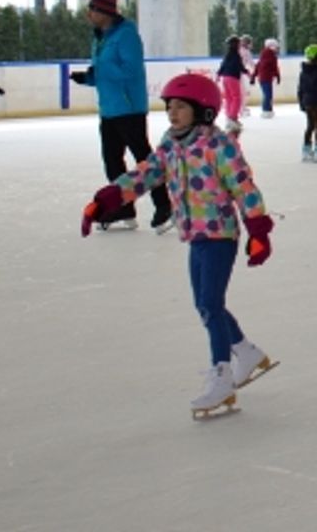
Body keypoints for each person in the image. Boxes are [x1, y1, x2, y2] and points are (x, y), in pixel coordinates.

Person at [78, 74, 276, 419]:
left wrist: (258, 230)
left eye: (181, 107)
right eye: (169, 106)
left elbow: (244, 187)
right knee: (205, 304)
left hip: (219, 235)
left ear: (203, 111)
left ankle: (222, 377)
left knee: (210, 305)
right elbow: (144, 175)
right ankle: (246, 352)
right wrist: (105, 200)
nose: (172, 112)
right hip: (194, 235)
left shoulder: (219, 146)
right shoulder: (171, 144)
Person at [70, 0, 171, 233]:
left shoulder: (126, 35)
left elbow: (131, 70)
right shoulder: (100, 37)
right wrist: (88, 77)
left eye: (93, 10)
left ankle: (164, 205)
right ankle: (123, 206)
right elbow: (106, 72)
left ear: (105, 13)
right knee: (112, 161)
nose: (89, 14)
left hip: (129, 108)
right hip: (109, 109)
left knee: (145, 160)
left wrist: (101, 70)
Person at [216, 35, 246, 133]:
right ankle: (232, 118)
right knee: (236, 98)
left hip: (225, 78)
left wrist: (218, 75)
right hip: (233, 78)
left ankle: (229, 117)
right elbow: (240, 67)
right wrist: (247, 72)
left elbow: (222, 66)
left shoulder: (227, 55)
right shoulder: (236, 56)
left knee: (229, 98)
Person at [249, 37, 280, 119]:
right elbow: (274, 67)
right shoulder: (271, 56)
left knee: (268, 94)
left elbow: (258, 66)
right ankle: (266, 110)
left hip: (264, 78)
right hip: (265, 78)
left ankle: (268, 109)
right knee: (268, 94)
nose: (277, 50)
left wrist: (253, 76)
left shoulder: (264, 55)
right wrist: (277, 76)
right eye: (276, 47)